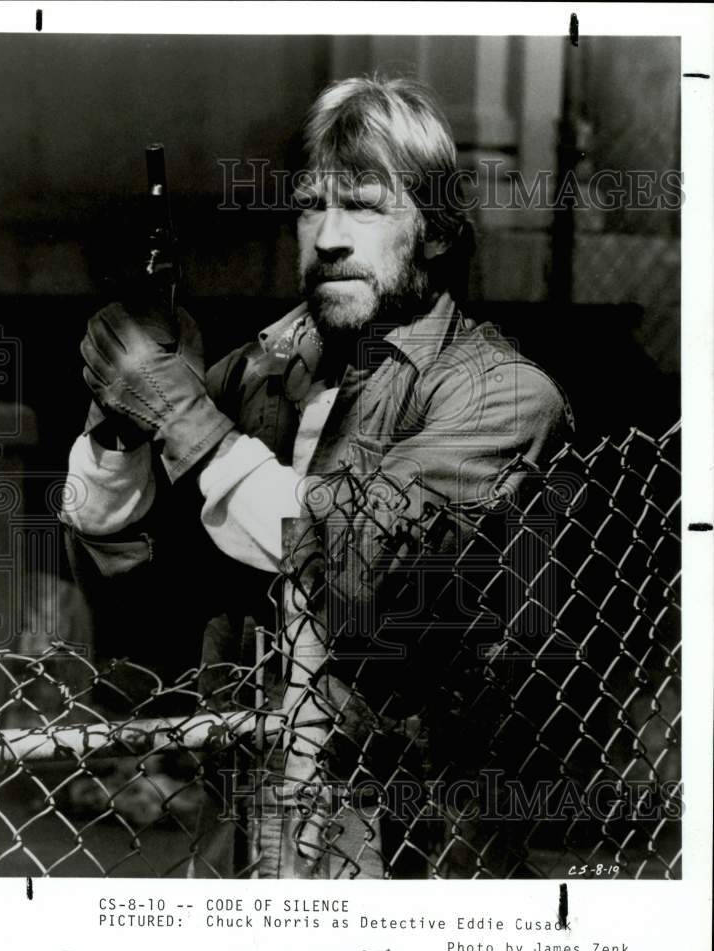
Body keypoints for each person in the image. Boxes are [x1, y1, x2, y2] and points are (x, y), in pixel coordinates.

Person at [60, 76, 574, 878]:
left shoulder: (500, 394)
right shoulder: (267, 372)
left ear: (436, 232)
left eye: (365, 205)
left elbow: (357, 566)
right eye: (310, 206)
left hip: (417, 850)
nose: (328, 236)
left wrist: (183, 414)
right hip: (254, 816)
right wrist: (121, 418)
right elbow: (130, 580)